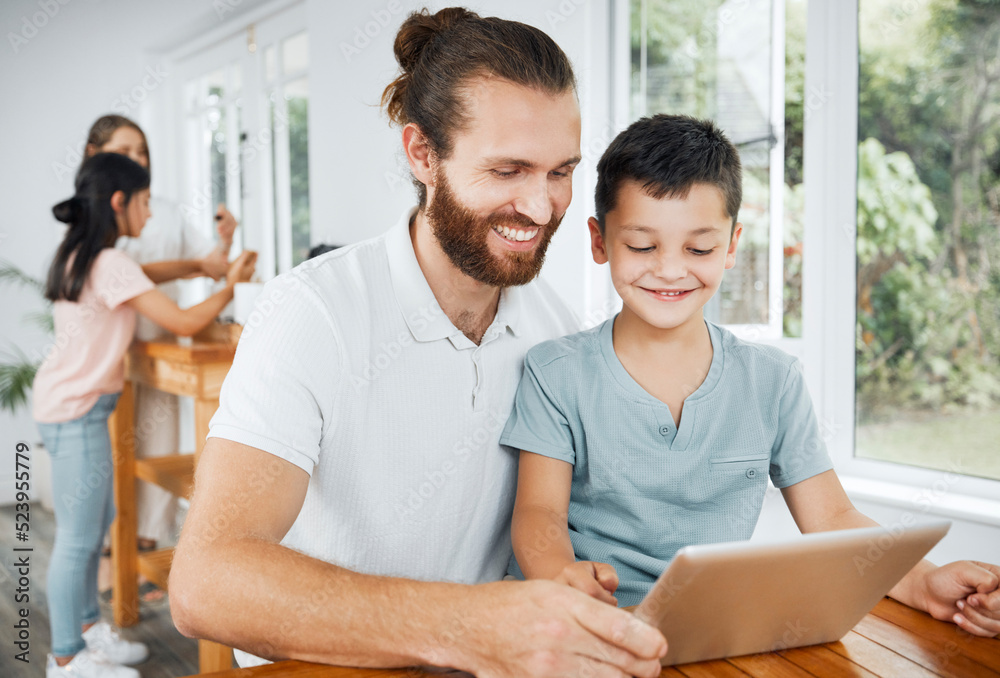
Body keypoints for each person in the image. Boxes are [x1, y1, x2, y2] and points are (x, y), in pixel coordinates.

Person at [169, 8, 669, 678]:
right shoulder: (312, 312)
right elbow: (205, 582)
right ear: (422, 154)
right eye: (509, 170)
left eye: (560, 171)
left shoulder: (556, 329)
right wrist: (471, 627)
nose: (544, 205)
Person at [503, 114, 1000, 637]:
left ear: (733, 246)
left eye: (699, 249)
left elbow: (832, 521)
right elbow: (539, 515)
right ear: (600, 241)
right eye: (643, 246)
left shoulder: (773, 382)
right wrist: (563, 582)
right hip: (580, 628)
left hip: (704, 633)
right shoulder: (556, 373)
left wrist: (925, 584)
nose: (671, 270)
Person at [33, 152, 256, 678]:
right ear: (119, 202)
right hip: (78, 413)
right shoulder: (109, 264)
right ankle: (66, 658)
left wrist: (204, 264)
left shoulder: (84, 254)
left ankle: (87, 634)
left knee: (93, 528)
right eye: (145, 201)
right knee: (79, 539)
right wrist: (230, 283)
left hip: (69, 409)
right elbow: (181, 319)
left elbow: (150, 272)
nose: (150, 214)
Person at [82, 115, 238, 558]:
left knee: (159, 442)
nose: (138, 160)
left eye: (142, 151)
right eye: (125, 151)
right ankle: (112, 550)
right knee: (113, 454)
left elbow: (206, 263)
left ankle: (145, 544)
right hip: (115, 354)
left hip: (161, 341)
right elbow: (130, 275)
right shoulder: (92, 230)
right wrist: (218, 283)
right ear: (95, 156)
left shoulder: (161, 210)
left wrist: (224, 244)